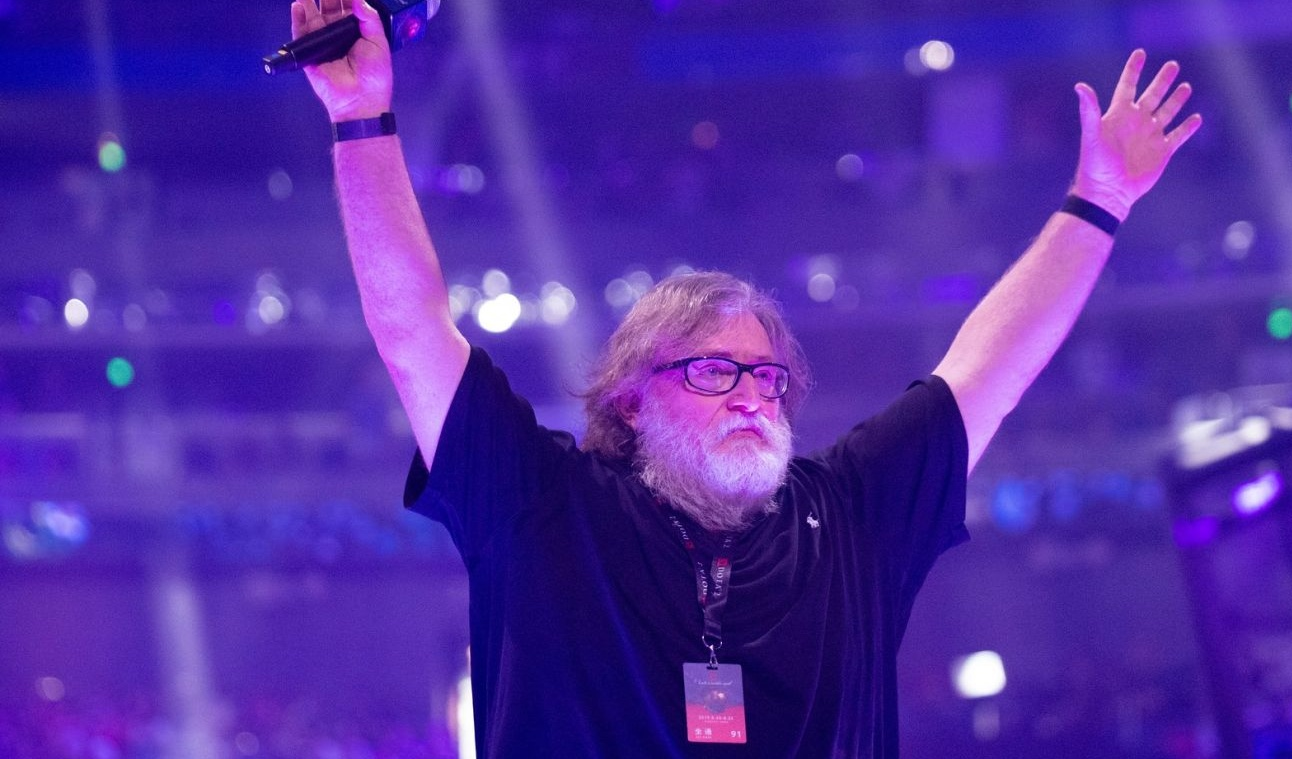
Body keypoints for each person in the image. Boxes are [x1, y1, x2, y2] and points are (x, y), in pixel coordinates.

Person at [289, 0, 1202, 754]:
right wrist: (361, 117)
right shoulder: (543, 507)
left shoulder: (848, 515)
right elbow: (412, 330)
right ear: (631, 398)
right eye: (715, 370)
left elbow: (988, 368)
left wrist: (1101, 199)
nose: (755, 397)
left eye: (769, 379)